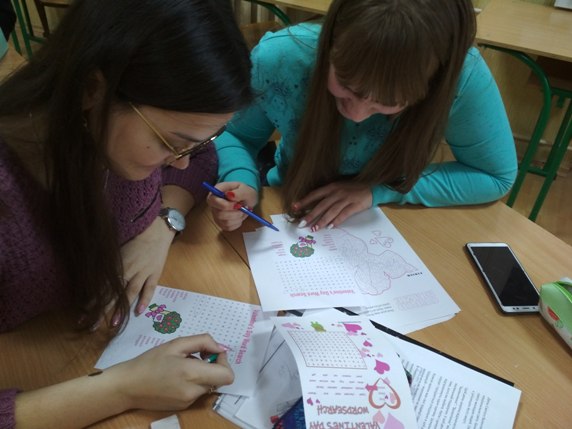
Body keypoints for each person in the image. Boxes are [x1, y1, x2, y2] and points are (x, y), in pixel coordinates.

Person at [0, 0, 252, 426]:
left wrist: (162, 225)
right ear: (92, 89)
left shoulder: (112, 135)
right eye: (172, 142)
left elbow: (201, 159)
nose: (181, 162)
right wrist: (122, 389)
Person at [208, 0, 518, 233]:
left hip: (395, 219)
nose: (356, 114)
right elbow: (235, 134)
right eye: (346, 86)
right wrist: (241, 179)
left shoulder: (460, 78)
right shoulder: (282, 57)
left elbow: (494, 176)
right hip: (288, 202)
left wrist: (377, 191)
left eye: (388, 102)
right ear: (331, 44)